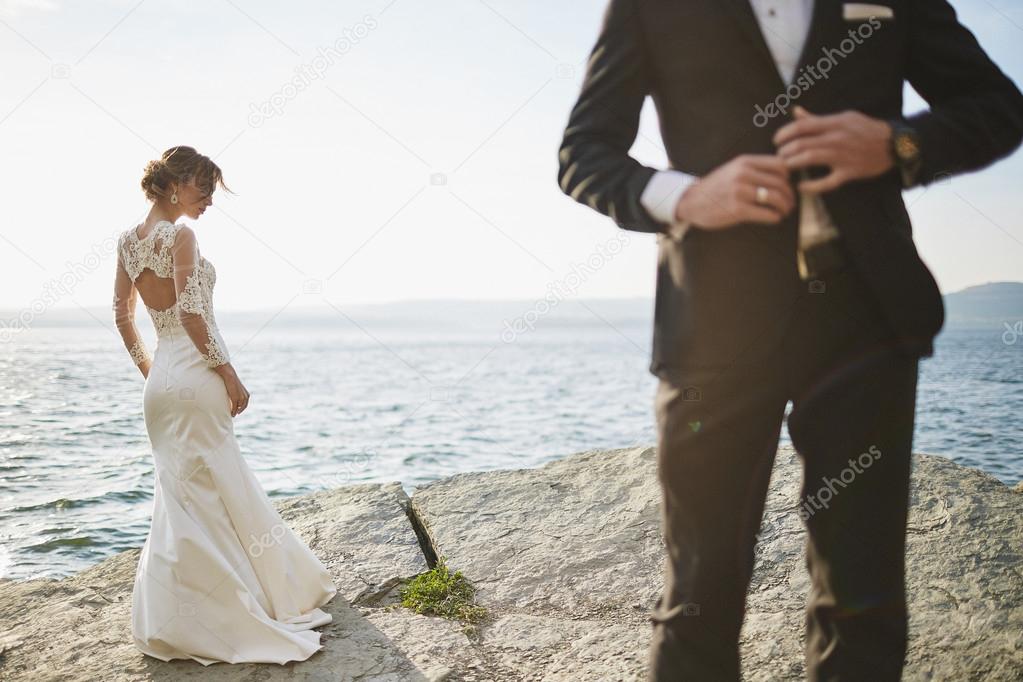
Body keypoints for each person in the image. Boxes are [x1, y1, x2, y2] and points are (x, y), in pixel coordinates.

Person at [557, 1, 1023, 679]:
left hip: (866, 322)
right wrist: (687, 196)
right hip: (714, 329)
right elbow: (582, 155)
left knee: (861, 595)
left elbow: (998, 106)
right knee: (697, 593)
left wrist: (899, 144)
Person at [113, 145, 336, 665]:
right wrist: (229, 373)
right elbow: (193, 314)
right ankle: (241, 607)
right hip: (196, 373)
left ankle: (180, 613)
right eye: (204, 187)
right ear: (177, 183)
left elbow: (124, 318)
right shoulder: (182, 235)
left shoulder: (127, 241)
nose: (210, 199)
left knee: (181, 496)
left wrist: (153, 372)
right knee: (220, 485)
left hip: (162, 383)